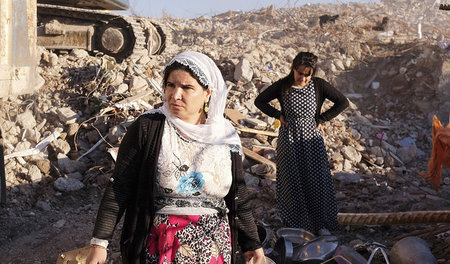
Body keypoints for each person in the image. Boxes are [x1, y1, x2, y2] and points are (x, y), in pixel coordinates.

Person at [86, 51, 264, 264]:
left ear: (207, 93)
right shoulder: (149, 127)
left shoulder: (224, 136)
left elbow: (238, 194)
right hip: (161, 247)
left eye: (187, 88)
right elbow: (119, 187)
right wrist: (99, 243)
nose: (175, 94)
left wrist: (251, 243)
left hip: (215, 249)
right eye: (171, 85)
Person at [254, 51, 348, 235]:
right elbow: (260, 101)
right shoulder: (283, 86)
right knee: (293, 180)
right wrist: (277, 115)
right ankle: (299, 224)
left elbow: (342, 102)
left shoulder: (318, 85)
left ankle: (321, 223)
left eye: (307, 74)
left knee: (317, 179)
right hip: (289, 140)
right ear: (294, 69)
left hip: (312, 141)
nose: (303, 78)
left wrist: (322, 119)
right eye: (300, 73)